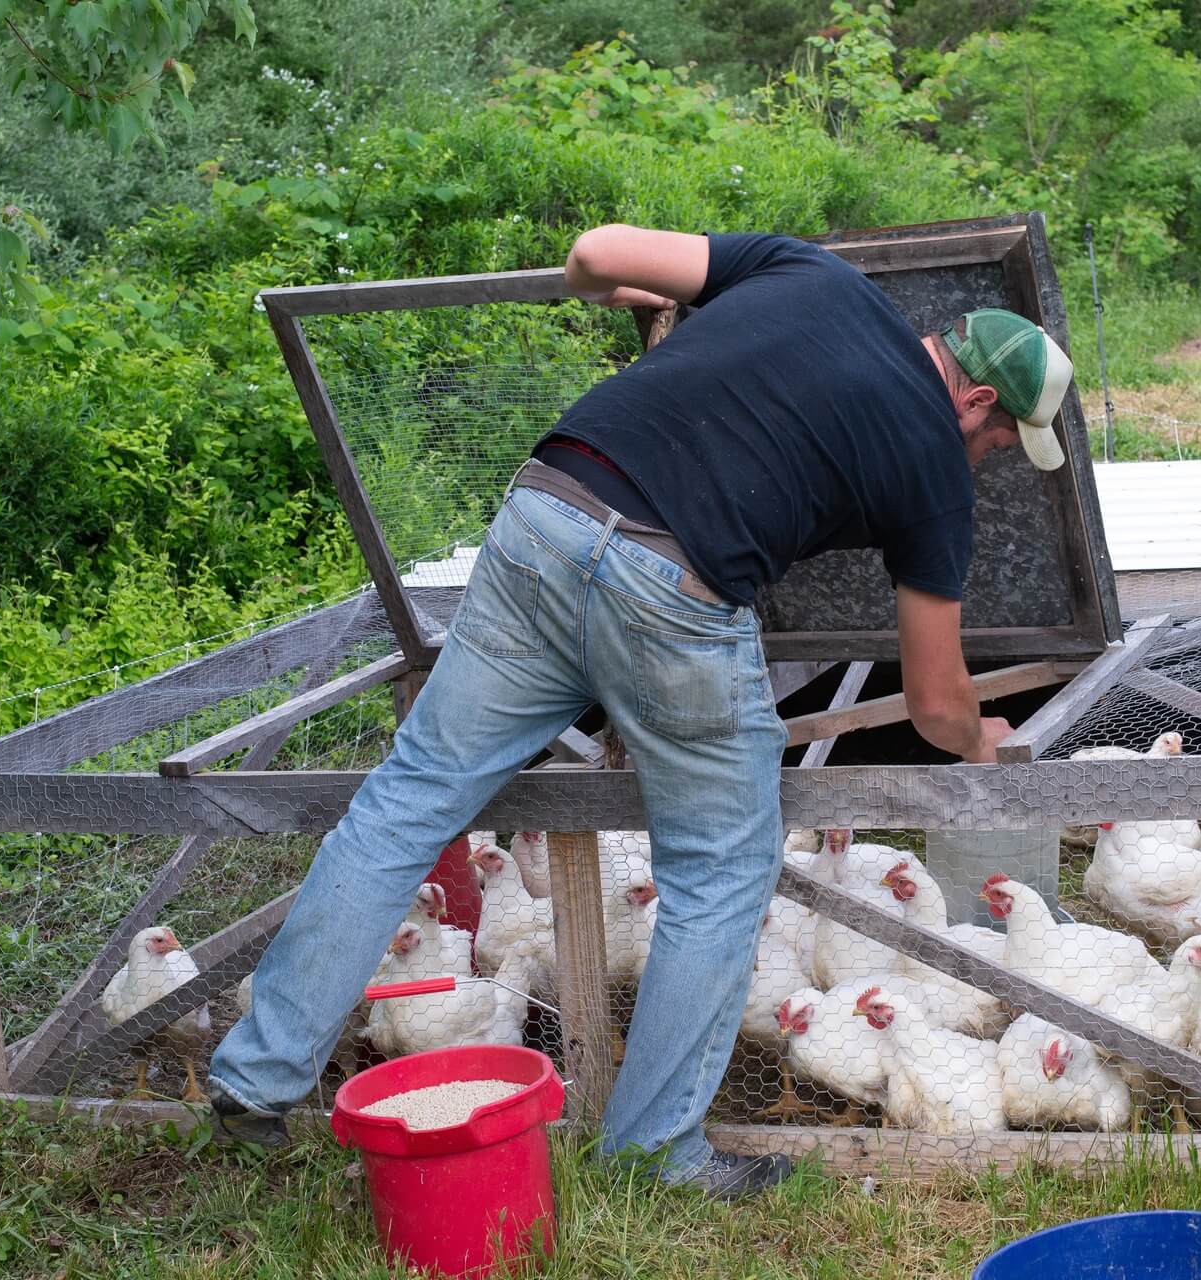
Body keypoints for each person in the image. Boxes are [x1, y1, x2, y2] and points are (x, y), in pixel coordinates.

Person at [206, 226, 1074, 1199]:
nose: (993, 458)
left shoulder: (811, 271)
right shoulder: (936, 463)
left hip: (546, 511)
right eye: (1002, 440)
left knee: (405, 802)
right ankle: (655, 1151)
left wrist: (600, 288)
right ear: (977, 397)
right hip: (677, 578)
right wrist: (984, 744)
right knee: (720, 869)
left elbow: (598, 247)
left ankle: (254, 1076)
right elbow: (935, 695)